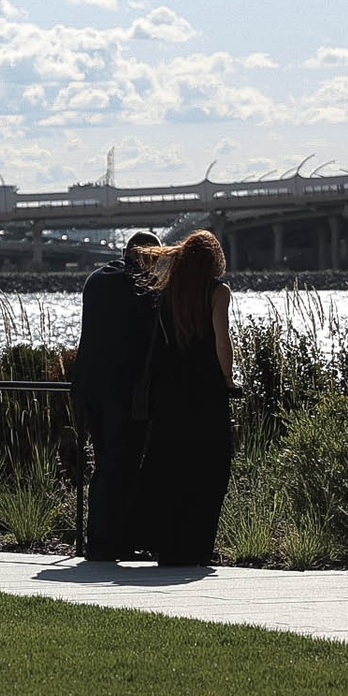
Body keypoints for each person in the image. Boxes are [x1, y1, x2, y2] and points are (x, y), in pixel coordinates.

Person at [131, 229, 235, 566]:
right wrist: (228, 378)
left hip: (170, 392)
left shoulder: (168, 291)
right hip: (206, 391)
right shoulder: (217, 292)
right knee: (208, 468)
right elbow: (222, 341)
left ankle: (167, 544)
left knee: (170, 466)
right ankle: (196, 545)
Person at [70, 231, 162, 561]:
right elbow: (151, 338)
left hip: (90, 386)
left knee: (104, 462)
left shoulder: (96, 280)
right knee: (122, 464)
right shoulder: (143, 285)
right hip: (124, 390)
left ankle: (99, 538)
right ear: (149, 256)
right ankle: (112, 542)